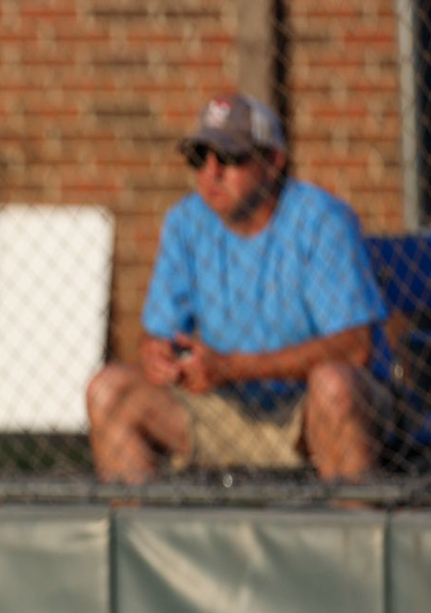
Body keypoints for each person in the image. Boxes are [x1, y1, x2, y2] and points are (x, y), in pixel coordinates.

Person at [86, 93, 390, 482]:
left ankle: (355, 534)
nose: (211, 174)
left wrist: (233, 368)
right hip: (224, 407)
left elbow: (355, 348)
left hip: (308, 411)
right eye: (200, 158)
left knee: (334, 385)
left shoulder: (321, 220)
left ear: (272, 162)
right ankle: (144, 542)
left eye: (229, 158)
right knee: (108, 390)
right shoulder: (185, 222)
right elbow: (155, 337)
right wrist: (158, 357)